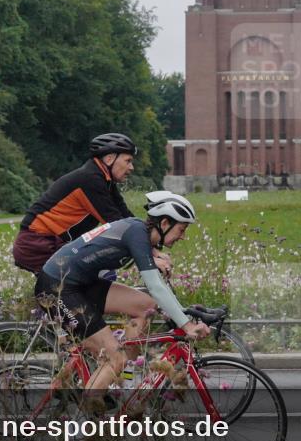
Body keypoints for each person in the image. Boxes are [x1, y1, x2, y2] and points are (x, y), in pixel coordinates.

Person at [37, 192, 209, 394]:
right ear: (164, 223)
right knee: (115, 358)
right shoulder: (137, 233)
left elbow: (158, 289)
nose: (183, 236)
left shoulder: (139, 233)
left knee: (146, 306)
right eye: (182, 229)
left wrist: (183, 315)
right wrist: (187, 325)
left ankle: (125, 376)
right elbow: (155, 286)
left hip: (81, 283)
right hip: (57, 287)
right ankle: (87, 411)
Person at [12, 132, 138, 274]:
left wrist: (148, 238)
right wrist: (147, 252)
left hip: (48, 242)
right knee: (88, 278)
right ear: (109, 159)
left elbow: (126, 216)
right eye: (128, 161)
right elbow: (117, 224)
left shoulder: (104, 180)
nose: (131, 167)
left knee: (99, 276)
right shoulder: (90, 180)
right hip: (38, 244)